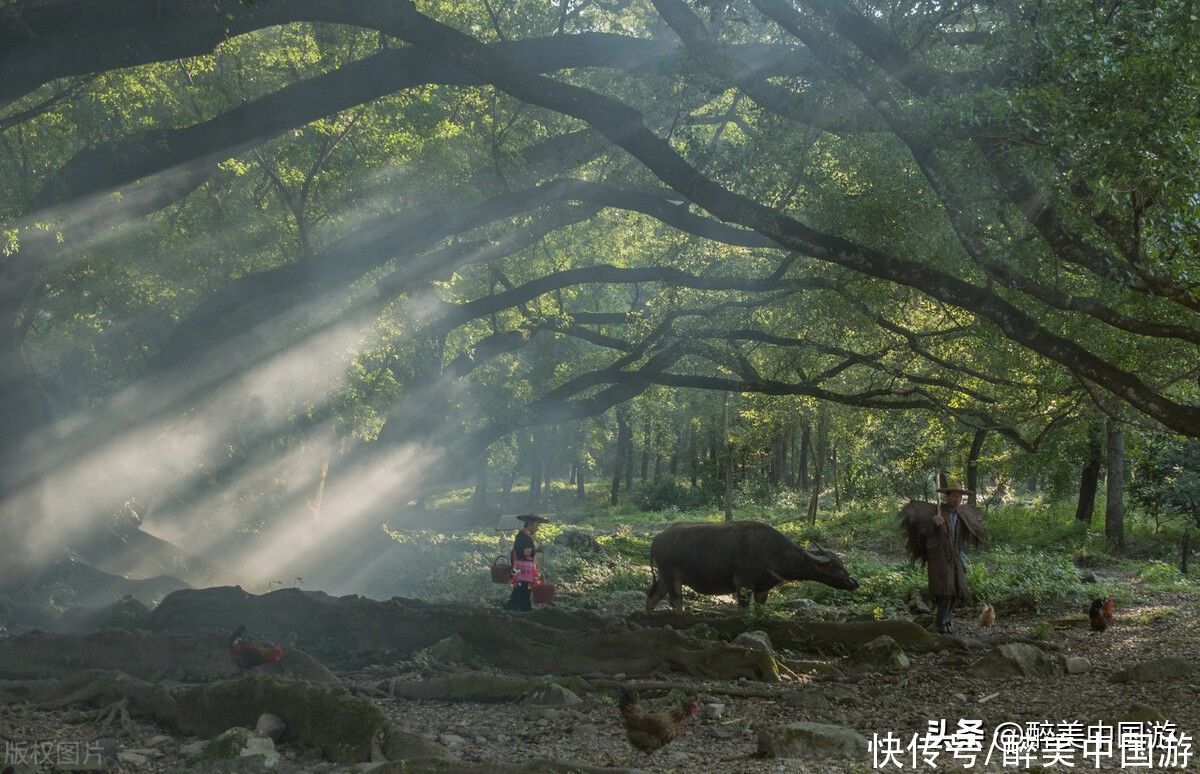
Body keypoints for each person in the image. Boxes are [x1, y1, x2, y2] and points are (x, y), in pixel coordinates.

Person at [899, 483, 984, 634]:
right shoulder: (936, 511)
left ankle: (947, 620)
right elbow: (922, 533)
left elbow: (961, 541)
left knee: (956, 589)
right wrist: (933, 523)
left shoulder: (960, 514)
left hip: (956, 556)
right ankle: (941, 622)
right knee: (945, 589)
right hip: (939, 556)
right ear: (948, 496)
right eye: (954, 496)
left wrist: (963, 559)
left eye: (960, 496)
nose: (957, 499)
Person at [503, 514, 549, 612]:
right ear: (530, 525)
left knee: (519, 592)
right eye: (537, 526)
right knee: (523, 592)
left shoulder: (525, 535)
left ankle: (511, 609)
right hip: (521, 571)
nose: (538, 529)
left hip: (522, 571)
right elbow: (526, 552)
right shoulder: (523, 537)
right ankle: (524, 611)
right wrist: (537, 550)